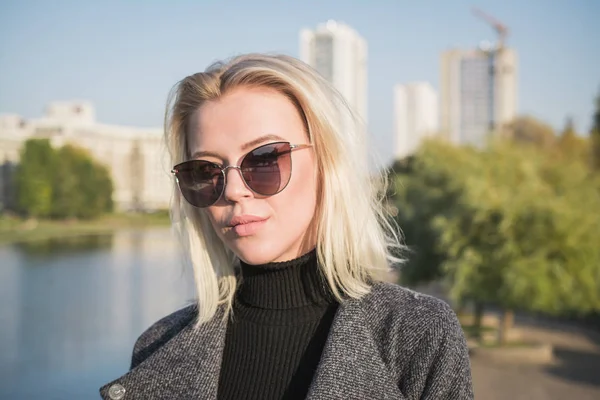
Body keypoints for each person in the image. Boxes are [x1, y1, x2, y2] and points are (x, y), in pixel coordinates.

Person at [99, 54, 473, 400]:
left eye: (263, 159)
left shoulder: (416, 334)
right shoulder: (158, 344)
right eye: (205, 171)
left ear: (327, 164)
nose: (232, 191)